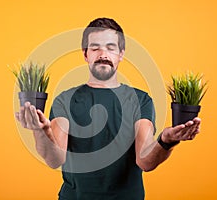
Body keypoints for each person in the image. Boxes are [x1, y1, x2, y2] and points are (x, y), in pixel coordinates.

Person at [15, 17, 201, 200]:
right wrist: (41, 131)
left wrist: (166, 140)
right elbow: (55, 159)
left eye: (110, 48)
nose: (103, 54)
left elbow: (145, 161)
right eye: (95, 48)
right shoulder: (65, 100)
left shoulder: (140, 99)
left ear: (121, 54)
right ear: (86, 54)